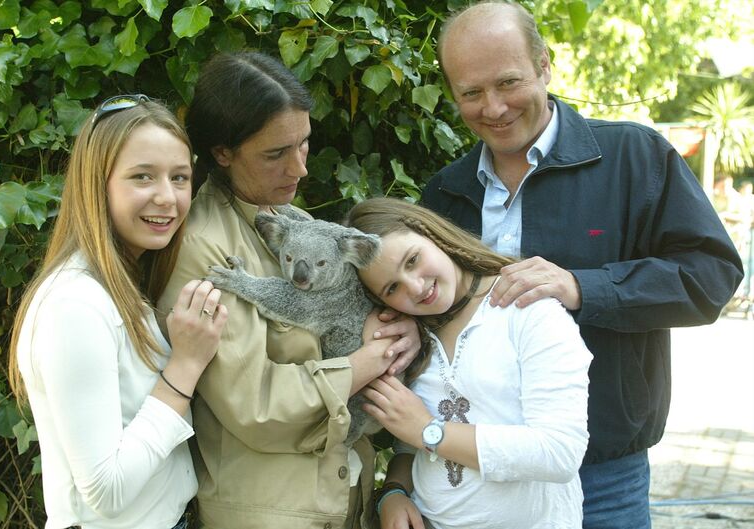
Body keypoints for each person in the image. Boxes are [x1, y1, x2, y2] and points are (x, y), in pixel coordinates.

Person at [420, 2, 744, 528]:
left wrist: (582, 286)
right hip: (474, 472)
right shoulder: (444, 193)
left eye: (508, 82)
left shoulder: (634, 156)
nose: (494, 107)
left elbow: (712, 276)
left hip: (602, 474)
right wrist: (399, 479)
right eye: (471, 92)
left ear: (544, 65)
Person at [156, 51, 421, 529]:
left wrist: (400, 330)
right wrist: (370, 361)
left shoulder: (291, 219)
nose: (300, 168)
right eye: (276, 154)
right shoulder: (202, 248)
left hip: (344, 496)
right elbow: (255, 407)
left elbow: (363, 301)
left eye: (304, 144)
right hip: (272, 512)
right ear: (223, 153)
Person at [8, 95, 228, 529]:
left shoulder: (121, 286)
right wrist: (184, 366)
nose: (167, 197)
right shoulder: (74, 305)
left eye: (179, 177)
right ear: (97, 185)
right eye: (142, 176)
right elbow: (105, 490)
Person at [343, 197, 592, 529]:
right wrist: (395, 490)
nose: (415, 287)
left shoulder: (528, 310)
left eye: (413, 259)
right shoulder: (411, 336)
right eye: (392, 288)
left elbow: (558, 452)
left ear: (430, 232)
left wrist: (428, 431)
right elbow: (409, 438)